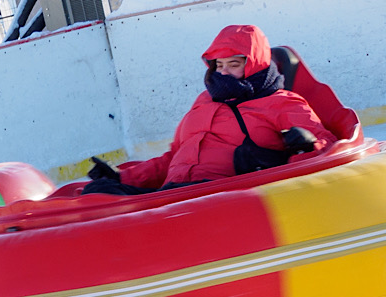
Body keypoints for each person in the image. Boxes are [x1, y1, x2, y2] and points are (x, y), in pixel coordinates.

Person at [85, 25, 337, 196]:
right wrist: (124, 177)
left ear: (255, 65)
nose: (224, 73)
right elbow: (174, 157)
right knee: (98, 195)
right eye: (219, 65)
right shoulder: (204, 101)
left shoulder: (281, 102)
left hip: (221, 197)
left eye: (234, 65)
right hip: (171, 194)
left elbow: (328, 144)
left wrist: (307, 145)